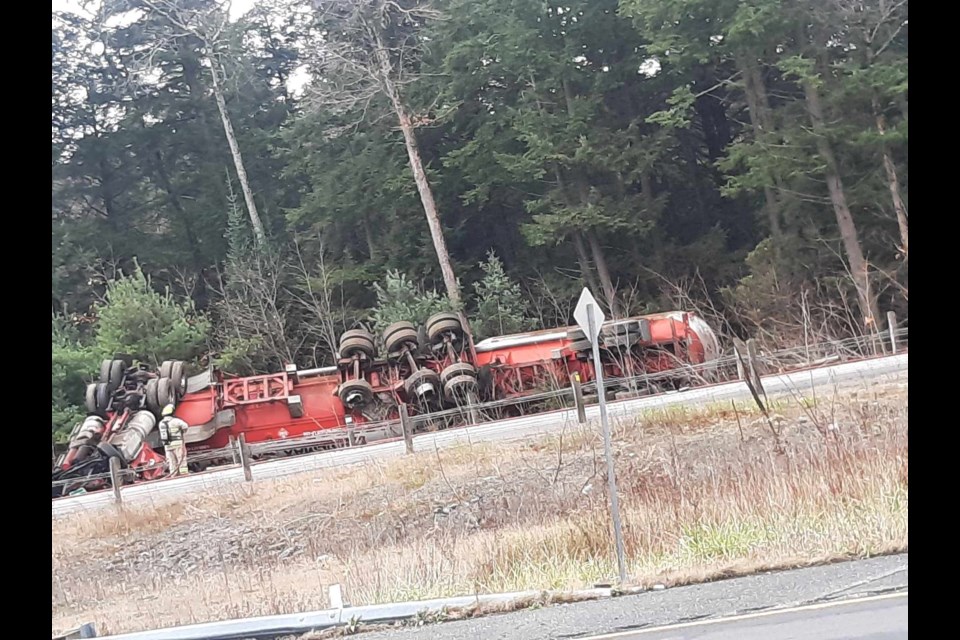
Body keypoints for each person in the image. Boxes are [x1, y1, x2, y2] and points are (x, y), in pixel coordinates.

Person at [158, 404, 190, 477]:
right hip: (177, 444)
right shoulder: (176, 421)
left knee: (172, 462)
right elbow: (185, 426)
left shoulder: (161, 423)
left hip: (167, 446)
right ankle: (184, 474)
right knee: (181, 460)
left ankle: (173, 475)